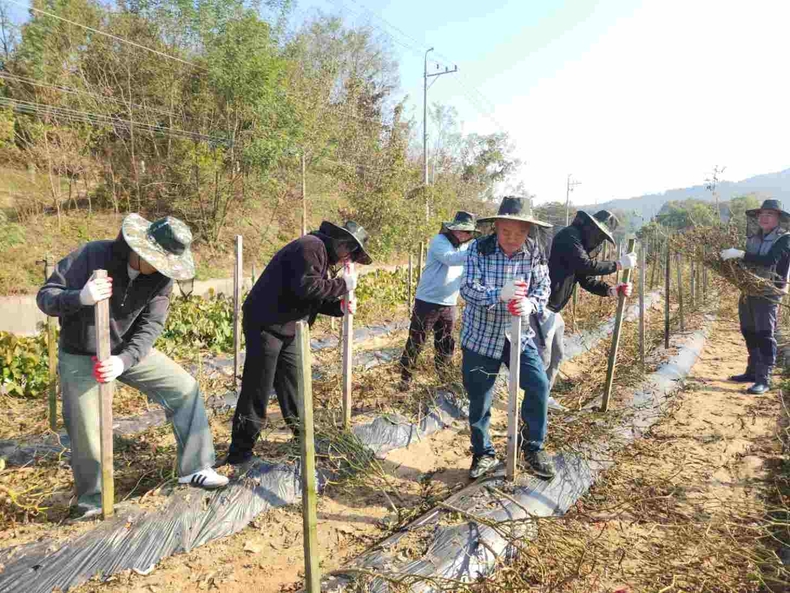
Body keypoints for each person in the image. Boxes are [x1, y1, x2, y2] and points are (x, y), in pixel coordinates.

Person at [37, 214, 229, 519]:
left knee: (184, 387)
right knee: (87, 428)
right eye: (160, 261)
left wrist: (123, 360)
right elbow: (46, 297)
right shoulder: (93, 255)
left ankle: (195, 467)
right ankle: (93, 500)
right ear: (140, 251)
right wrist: (80, 298)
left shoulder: (161, 280)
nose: (163, 270)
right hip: (80, 353)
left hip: (125, 351)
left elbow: (152, 325)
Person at [226, 221, 372, 467]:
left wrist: (339, 307)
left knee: (296, 386)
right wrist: (344, 284)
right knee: (258, 388)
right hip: (266, 323)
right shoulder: (310, 247)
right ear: (342, 244)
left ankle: (304, 441)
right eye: (352, 253)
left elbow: (308, 297)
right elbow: (307, 288)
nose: (350, 259)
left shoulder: (321, 255)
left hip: (290, 325)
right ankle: (240, 453)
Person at [459, 196, 556, 480]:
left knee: (538, 385)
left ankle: (533, 447)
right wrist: (498, 295)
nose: (512, 238)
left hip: (518, 336)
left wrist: (532, 304)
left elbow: (543, 288)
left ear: (528, 231)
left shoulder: (534, 252)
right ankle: (483, 453)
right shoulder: (479, 249)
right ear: (496, 227)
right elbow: (467, 288)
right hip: (481, 338)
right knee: (480, 398)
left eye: (519, 232)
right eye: (505, 231)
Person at [534, 210, 636, 409]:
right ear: (589, 226)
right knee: (542, 358)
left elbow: (585, 279)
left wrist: (611, 290)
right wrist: (618, 264)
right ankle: (533, 402)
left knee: (557, 354)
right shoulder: (569, 236)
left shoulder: (579, 243)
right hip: (542, 306)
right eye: (598, 233)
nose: (598, 239)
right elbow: (586, 265)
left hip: (555, 309)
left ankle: (543, 397)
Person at [398, 211, 478, 391]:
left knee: (445, 341)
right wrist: (476, 251)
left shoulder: (466, 247)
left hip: (449, 303)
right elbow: (450, 259)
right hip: (428, 301)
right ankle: (405, 377)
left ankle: (443, 377)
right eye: (461, 231)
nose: (464, 235)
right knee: (417, 339)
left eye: (467, 232)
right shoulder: (440, 241)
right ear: (453, 229)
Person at [721, 198, 790, 395]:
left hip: (769, 293)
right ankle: (752, 371)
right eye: (762, 214)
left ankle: (764, 379)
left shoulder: (785, 239)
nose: (765, 217)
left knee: (764, 333)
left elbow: (770, 260)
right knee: (748, 330)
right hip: (748, 291)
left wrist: (740, 254)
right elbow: (746, 264)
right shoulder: (754, 237)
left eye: (770, 214)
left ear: (778, 218)